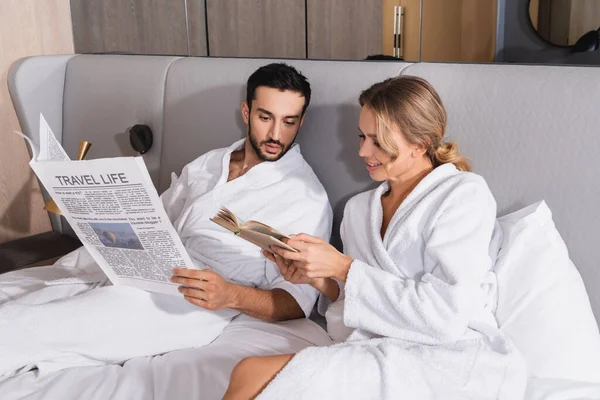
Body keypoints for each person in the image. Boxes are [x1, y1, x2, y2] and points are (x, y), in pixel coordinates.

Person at [0, 63, 334, 399]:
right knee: (21, 306)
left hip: (196, 299)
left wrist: (229, 295)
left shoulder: (306, 198)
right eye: (266, 117)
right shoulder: (208, 163)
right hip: (149, 267)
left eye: (289, 122)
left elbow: (296, 303)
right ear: (246, 112)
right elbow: (157, 218)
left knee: (24, 328)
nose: (277, 133)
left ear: (301, 122)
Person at [224, 76, 527, 399]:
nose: (362, 150)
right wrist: (319, 279)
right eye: (362, 136)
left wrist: (342, 267)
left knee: (252, 373)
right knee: (248, 371)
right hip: (378, 347)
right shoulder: (359, 211)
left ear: (420, 143)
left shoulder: (463, 195)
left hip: (450, 357)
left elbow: (446, 318)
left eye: (378, 141)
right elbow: (349, 312)